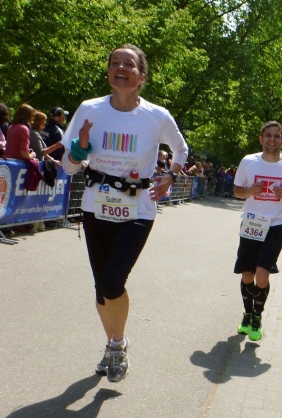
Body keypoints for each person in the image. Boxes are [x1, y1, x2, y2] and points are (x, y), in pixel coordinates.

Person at [60, 44, 189, 382]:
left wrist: (170, 176)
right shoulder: (90, 109)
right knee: (101, 286)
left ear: (141, 77)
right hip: (96, 205)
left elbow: (181, 148)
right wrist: (80, 149)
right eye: (114, 63)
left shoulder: (156, 115)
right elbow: (68, 167)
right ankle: (114, 344)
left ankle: (117, 344)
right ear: (108, 72)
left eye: (128, 64)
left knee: (113, 280)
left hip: (138, 207)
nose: (120, 68)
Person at [233, 121, 282, 341]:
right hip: (251, 224)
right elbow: (237, 191)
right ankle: (247, 314)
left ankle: (257, 316)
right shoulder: (249, 161)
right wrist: (249, 191)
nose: (272, 139)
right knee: (247, 274)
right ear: (261, 139)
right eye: (268, 135)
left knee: (262, 275)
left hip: (275, 225)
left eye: (276, 136)